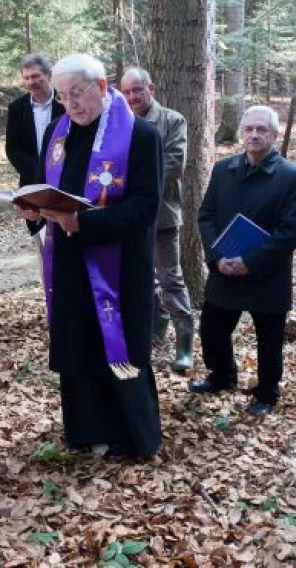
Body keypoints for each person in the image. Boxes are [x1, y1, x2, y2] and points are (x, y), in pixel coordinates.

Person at [17, 53, 163, 459]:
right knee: (78, 342)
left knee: (119, 347)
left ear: (102, 87)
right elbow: (46, 189)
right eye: (62, 97)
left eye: (77, 94)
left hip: (118, 266)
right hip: (68, 260)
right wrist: (33, 208)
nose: (71, 105)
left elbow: (145, 207)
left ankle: (132, 437)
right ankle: (86, 429)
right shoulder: (58, 135)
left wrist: (86, 225)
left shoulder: (141, 136)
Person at [189, 105, 296, 417]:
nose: (254, 135)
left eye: (262, 130)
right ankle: (222, 375)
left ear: (274, 134)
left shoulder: (293, 177)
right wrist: (216, 258)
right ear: (241, 132)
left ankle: (267, 393)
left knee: (269, 340)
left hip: (267, 275)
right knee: (212, 331)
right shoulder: (223, 170)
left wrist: (250, 262)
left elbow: (289, 233)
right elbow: (206, 216)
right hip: (224, 269)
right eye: (249, 129)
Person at [119, 67, 194, 373]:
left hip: (162, 216)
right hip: (129, 218)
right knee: (142, 279)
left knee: (170, 279)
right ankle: (152, 333)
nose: (133, 97)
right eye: (126, 92)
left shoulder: (172, 120)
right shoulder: (117, 123)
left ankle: (185, 345)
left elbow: (173, 164)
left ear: (150, 88)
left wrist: (131, 186)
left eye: (138, 90)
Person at [5, 53, 65, 188]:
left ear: (48, 75)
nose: (31, 82)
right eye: (26, 78)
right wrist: (38, 175)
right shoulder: (16, 108)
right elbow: (13, 149)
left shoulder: (65, 103)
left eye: (36, 76)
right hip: (31, 181)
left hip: (65, 179)